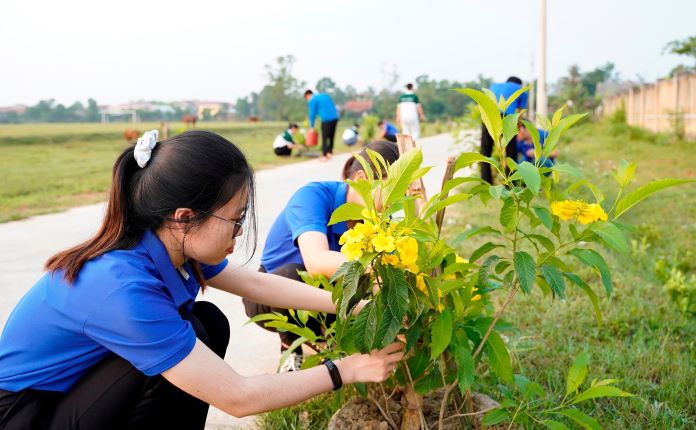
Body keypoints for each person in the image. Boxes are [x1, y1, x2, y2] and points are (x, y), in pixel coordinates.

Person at [0, 130, 404, 429]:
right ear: (185, 218)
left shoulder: (168, 246)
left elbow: (259, 285)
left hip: (67, 397)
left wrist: (360, 306)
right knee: (182, 344)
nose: (241, 231)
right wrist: (345, 370)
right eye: (237, 218)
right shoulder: (122, 286)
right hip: (25, 414)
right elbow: (238, 397)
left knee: (205, 324)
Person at [244, 141, 401, 372]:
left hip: (326, 294)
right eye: (391, 191)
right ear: (360, 179)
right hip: (269, 293)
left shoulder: (376, 219)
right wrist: (378, 267)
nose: (393, 203)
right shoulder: (313, 196)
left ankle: (332, 349)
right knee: (293, 275)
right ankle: (290, 348)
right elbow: (316, 262)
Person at [480, 76, 529, 184]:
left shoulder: (494, 86)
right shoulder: (522, 90)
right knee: (511, 152)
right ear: (519, 84)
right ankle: (510, 184)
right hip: (507, 118)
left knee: (485, 151)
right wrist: (519, 128)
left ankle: (485, 183)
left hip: (488, 117)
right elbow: (520, 113)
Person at [305, 90, 339, 162]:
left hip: (326, 119)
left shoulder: (312, 100)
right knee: (331, 135)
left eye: (307, 99)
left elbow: (312, 114)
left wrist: (311, 126)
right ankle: (330, 152)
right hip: (335, 117)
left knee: (325, 137)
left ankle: (325, 155)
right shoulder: (324, 95)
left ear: (308, 95)